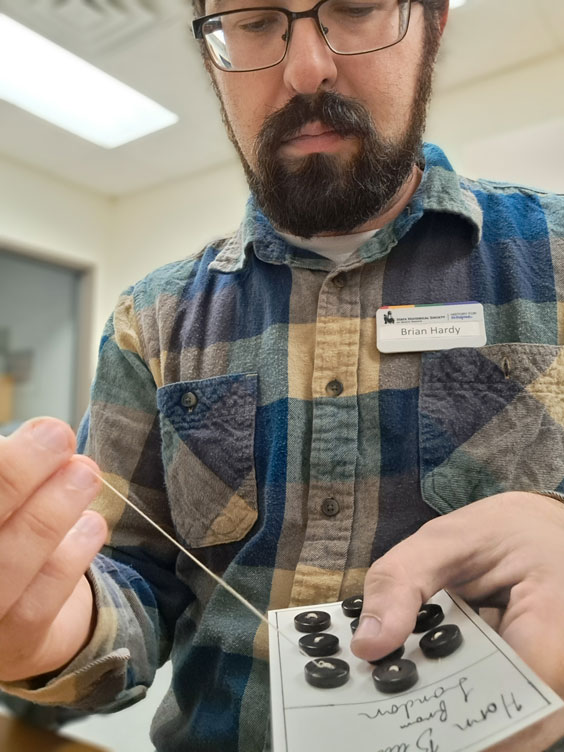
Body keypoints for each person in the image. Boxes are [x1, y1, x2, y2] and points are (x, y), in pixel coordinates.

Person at [1, 0, 564, 749]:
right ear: (213, 55)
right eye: (256, 20)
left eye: (356, 7)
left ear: (432, 23)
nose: (305, 69)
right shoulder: (151, 319)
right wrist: (50, 627)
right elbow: (132, 581)